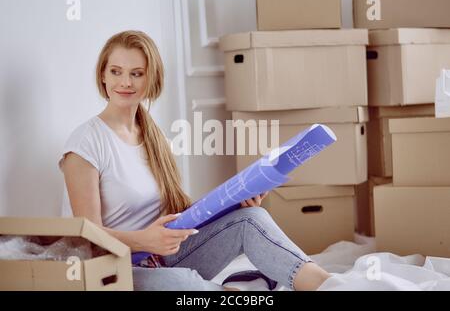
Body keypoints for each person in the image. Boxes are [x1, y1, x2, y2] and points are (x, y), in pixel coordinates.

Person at [59, 30, 331, 291]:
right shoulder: (86, 142)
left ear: (151, 79)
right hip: (113, 271)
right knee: (183, 284)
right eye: (116, 72)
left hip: (160, 257)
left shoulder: (154, 137)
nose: (125, 82)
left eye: (136, 74)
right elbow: (88, 238)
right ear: (103, 76)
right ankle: (241, 288)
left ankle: (328, 285)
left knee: (251, 217)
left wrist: (234, 204)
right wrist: (143, 240)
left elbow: (179, 213)